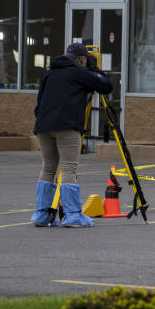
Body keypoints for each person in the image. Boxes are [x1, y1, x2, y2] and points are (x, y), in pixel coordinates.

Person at [30, 43, 113, 227]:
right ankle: (73, 214)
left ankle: (41, 214)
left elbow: (39, 102)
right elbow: (105, 85)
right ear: (82, 59)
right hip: (67, 125)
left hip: (44, 126)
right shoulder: (79, 73)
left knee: (48, 167)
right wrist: (94, 68)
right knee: (69, 167)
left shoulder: (49, 73)